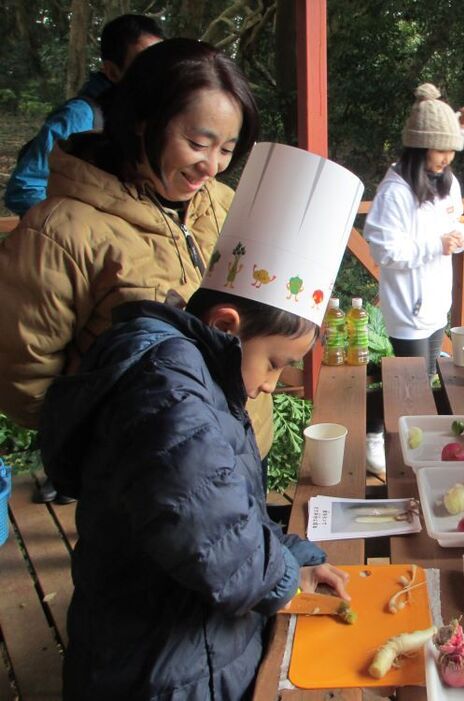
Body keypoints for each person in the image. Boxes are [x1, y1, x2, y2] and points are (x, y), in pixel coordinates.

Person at [37, 143, 364, 700]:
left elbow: (229, 512)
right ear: (226, 323)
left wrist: (295, 558)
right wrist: (285, 575)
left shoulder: (198, 376)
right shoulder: (166, 390)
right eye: (275, 364)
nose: (268, 384)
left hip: (186, 642)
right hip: (158, 666)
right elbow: (212, 540)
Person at [0, 38, 269, 503]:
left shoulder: (224, 206)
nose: (212, 166)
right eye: (197, 143)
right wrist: (114, 441)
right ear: (143, 122)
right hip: (142, 483)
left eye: (227, 149)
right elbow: (24, 383)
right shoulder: (60, 231)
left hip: (238, 459)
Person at [363, 82, 464, 475]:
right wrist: (436, 244)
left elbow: (456, 223)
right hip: (408, 305)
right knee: (411, 382)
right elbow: (383, 250)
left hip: (434, 302)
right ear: (419, 146)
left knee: (423, 378)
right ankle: (373, 432)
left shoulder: (446, 182)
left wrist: (459, 237)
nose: (447, 158)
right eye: (441, 149)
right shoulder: (394, 193)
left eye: (451, 151)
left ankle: (399, 438)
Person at [4, 14, 165, 215]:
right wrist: (70, 233)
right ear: (113, 71)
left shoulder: (153, 119)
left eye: (161, 64)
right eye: (142, 66)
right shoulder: (80, 117)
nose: (157, 75)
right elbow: (25, 189)